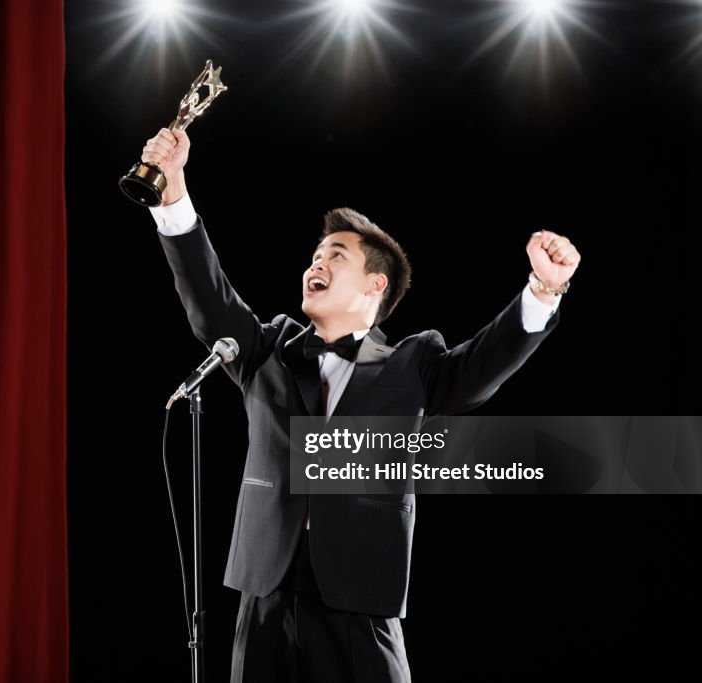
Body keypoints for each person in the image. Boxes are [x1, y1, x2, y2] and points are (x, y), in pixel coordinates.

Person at [140, 128, 581, 683]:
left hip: (359, 601)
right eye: (315, 255)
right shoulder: (266, 349)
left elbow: (480, 368)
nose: (314, 264)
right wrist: (172, 192)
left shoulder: (413, 363)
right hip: (264, 594)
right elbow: (209, 299)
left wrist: (543, 291)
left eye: (336, 255)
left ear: (375, 284)